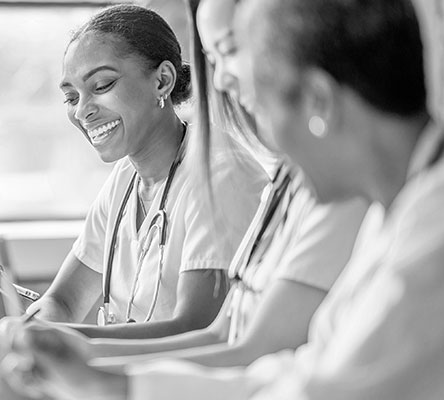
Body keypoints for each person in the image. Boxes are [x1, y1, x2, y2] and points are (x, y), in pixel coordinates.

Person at [0, 0, 444, 398]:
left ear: (318, 102)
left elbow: (327, 388)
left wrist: (105, 381)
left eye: (261, 104)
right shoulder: (402, 204)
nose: (269, 155)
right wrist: (100, 376)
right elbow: (294, 371)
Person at [22, 4, 265, 341]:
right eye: (70, 96)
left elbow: (195, 330)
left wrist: (65, 343)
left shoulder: (221, 175)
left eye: (102, 85)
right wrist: (28, 328)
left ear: (162, 81)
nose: (83, 110)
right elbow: (63, 300)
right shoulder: (124, 179)